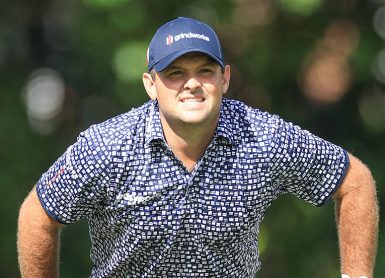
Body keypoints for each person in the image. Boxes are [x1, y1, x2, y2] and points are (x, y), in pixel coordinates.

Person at [17, 17, 379, 278]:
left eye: (205, 70)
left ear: (224, 79)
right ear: (150, 84)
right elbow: (38, 215)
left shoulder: (263, 138)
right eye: (175, 73)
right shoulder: (108, 147)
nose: (192, 83)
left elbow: (355, 182)